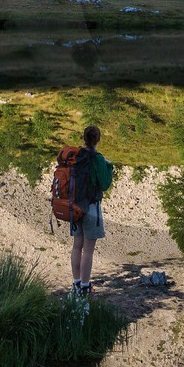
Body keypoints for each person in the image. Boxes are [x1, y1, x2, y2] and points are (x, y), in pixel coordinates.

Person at [71, 124, 113, 297]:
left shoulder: (76, 155)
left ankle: (76, 284)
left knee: (76, 247)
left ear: (83, 138)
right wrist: (109, 167)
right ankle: (85, 287)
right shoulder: (98, 159)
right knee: (88, 250)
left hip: (74, 207)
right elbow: (104, 184)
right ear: (98, 139)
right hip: (91, 208)